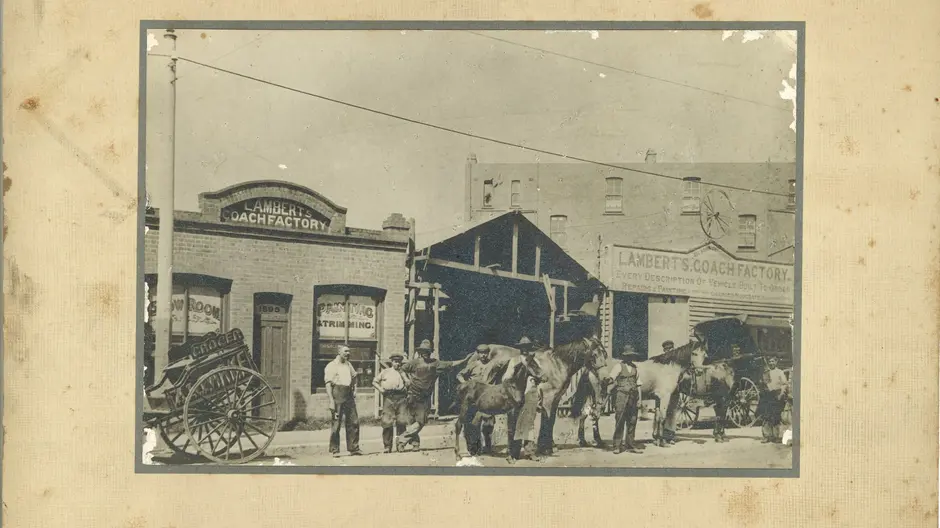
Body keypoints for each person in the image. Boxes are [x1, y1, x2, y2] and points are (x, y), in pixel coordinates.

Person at [397, 339, 473, 451]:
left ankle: (403, 440)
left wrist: (465, 360)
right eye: (423, 351)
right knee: (414, 421)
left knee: (420, 422)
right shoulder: (414, 362)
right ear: (420, 352)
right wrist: (406, 380)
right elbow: (402, 369)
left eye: (427, 351)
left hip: (425, 397)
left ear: (430, 352)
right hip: (412, 395)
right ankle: (412, 443)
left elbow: (451, 364)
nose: (424, 353)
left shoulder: (436, 364)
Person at [457, 344, 496, 454]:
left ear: (488, 353)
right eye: (481, 353)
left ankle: (488, 446)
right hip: (474, 399)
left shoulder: (493, 365)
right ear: (477, 354)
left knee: (489, 423)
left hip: (488, 398)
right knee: (473, 423)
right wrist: (466, 384)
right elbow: (459, 375)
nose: (483, 355)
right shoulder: (473, 365)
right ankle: (474, 448)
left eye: (485, 353)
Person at [324, 344, 362, 456]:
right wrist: (331, 400)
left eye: (349, 351)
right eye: (345, 351)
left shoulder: (348, 364)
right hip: (337, 394)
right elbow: (328, 384)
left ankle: (354, 448)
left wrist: (354, 389)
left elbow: (354, 377)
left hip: (348, 394)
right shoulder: (331, 365)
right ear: (339, 352)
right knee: (336, 423)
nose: (348, 353)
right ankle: (335, 449)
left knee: (354, 421)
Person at [605, 347, 644, 454]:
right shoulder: (618, 366)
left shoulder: (635, 367)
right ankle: (617, 446)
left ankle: (630, 445)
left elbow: (639, 384)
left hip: (633, 396)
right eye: (628, 356)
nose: (630, 358)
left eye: (631, 356)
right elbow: (612, 378)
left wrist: (640, 399)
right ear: (624, 356)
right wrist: (608, 381)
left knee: (632, 421)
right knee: (620, 420)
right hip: (621, 396)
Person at [373, 351, 409, 453]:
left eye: (399, 362)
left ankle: (400, 445)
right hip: (389, 397)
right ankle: (387, 446)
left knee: (401, 422)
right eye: (395, 362)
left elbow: (409, 384)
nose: (397, 364)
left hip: (401, 397)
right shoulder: (385, 372)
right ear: (392, 362)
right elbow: (374, 381)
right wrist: (381, 390)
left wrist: (405, 380)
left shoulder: (403, 373)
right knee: (387, 422)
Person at [759, 356, 788, 443]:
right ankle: (767, 436)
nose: (771, 363)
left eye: (772, 361)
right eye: (769, 361)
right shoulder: (765, 373)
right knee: (766, 416)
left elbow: (784, 384)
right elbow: (763, 384)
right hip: (768, 396)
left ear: (776, 362)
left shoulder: (780, 372)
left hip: (777, 395)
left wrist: (781, 394)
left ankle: (776, 436)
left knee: (776, 416)